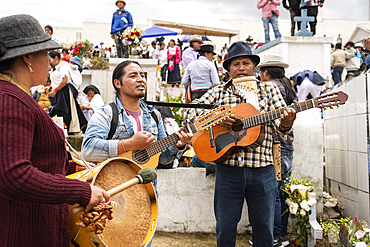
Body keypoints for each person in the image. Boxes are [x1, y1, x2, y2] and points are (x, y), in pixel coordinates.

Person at [0, 14, 109, 247]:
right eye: (46, 54)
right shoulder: (10, 99)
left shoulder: (17, 96)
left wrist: (74, 169)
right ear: (27, 57)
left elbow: (36, 159)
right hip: (23, 233)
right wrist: (80, 190)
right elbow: (14, 176)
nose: (50, 61)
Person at [184, 41, 296, 246]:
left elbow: (281, 126)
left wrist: (286, 123)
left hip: (263, 170)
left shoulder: (269, 90)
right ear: (228, 70)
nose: (241, 68)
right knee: (225, 228)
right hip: (228, 171)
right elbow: (189, 112)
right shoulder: (218, 92)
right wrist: (215, 118)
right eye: (235, 64)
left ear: (255, 67)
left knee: (264, 228)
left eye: (246, 63)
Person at [81, 60, 192, 164]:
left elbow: (162, 158)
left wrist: (178, 146)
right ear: (117, 83)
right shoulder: (106, 113)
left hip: (147, 185)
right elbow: (88, 150)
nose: (140, 79)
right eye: (133, 76)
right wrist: (129, 144)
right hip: (116, 183)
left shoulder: (154, 115)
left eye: (142, 75)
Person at [256, 54, 296, 247]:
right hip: (288, 146)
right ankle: (281, 235)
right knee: (282, 192)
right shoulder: (287, 86)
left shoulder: (271, 88)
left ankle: (274, 236)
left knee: (274, 192)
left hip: (276, 147)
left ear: (265, 72)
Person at [49, 51, 87, 134]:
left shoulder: (63, 65)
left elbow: (65, 80)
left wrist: (55, 90)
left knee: (67, 111)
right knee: (62, 111)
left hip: (63, 90)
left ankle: (74, 131)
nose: (49, 62)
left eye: (50, 59)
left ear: (56, 58)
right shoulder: (58, 67)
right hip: (59, 91)